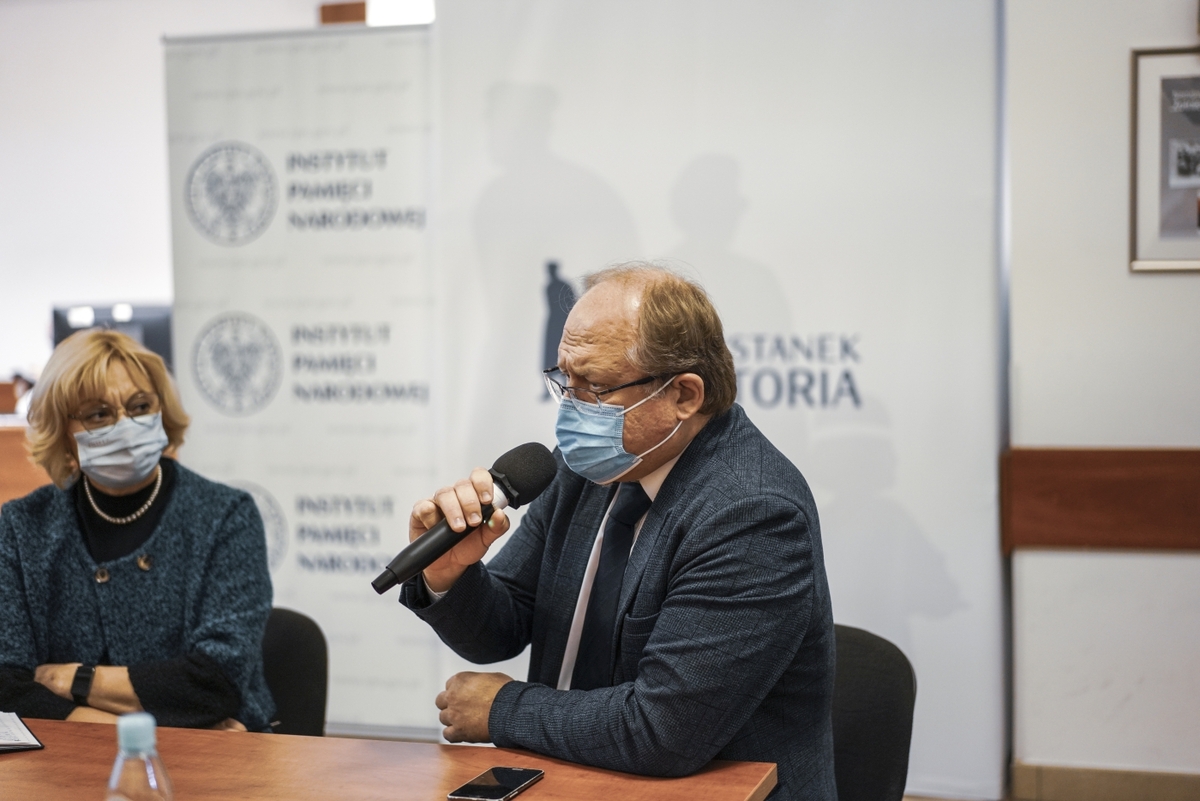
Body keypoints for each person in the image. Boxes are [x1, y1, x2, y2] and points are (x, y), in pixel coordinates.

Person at [400, 263, 836, 800]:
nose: (571, 409)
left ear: (684, 395)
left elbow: (662, 730)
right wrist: (451, 575)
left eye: (597, 387)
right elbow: (499, 630)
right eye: (566, 381)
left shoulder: (752, 512)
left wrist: (501, 709)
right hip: (570, 779)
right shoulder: (585, 469)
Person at [0, 329, 274, 731]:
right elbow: (7, 687)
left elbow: (216, 682)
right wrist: (137, 736)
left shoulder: (225, 516)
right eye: (98, 414)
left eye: (141, 406)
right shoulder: (21, 527)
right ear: (62, 432)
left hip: (218, 760)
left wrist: (69, 679)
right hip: (71, 759)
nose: (125, 425)